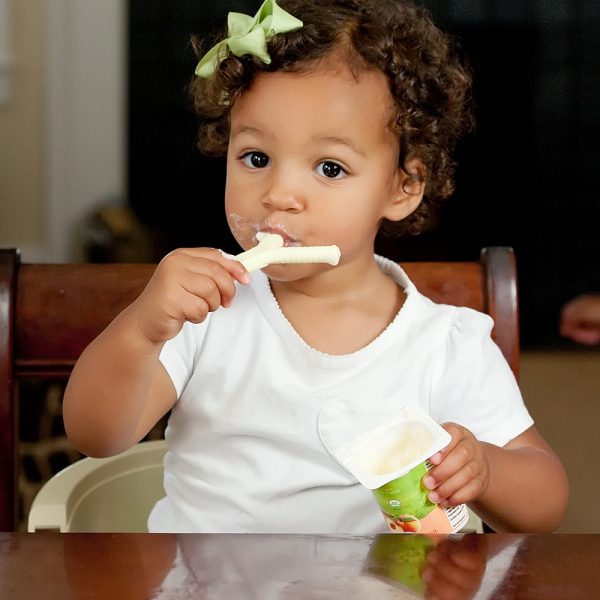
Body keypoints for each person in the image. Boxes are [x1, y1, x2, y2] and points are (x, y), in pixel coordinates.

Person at [63, 0, 568, 534]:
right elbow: (96, 435)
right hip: (203, 575)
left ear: (403, 188)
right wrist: (142, 329)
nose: (280, 194)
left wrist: (485, 470)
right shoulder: (204, 309)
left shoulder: (448, 345)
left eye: (330, 167)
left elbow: (546, 504)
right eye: (256, 158)